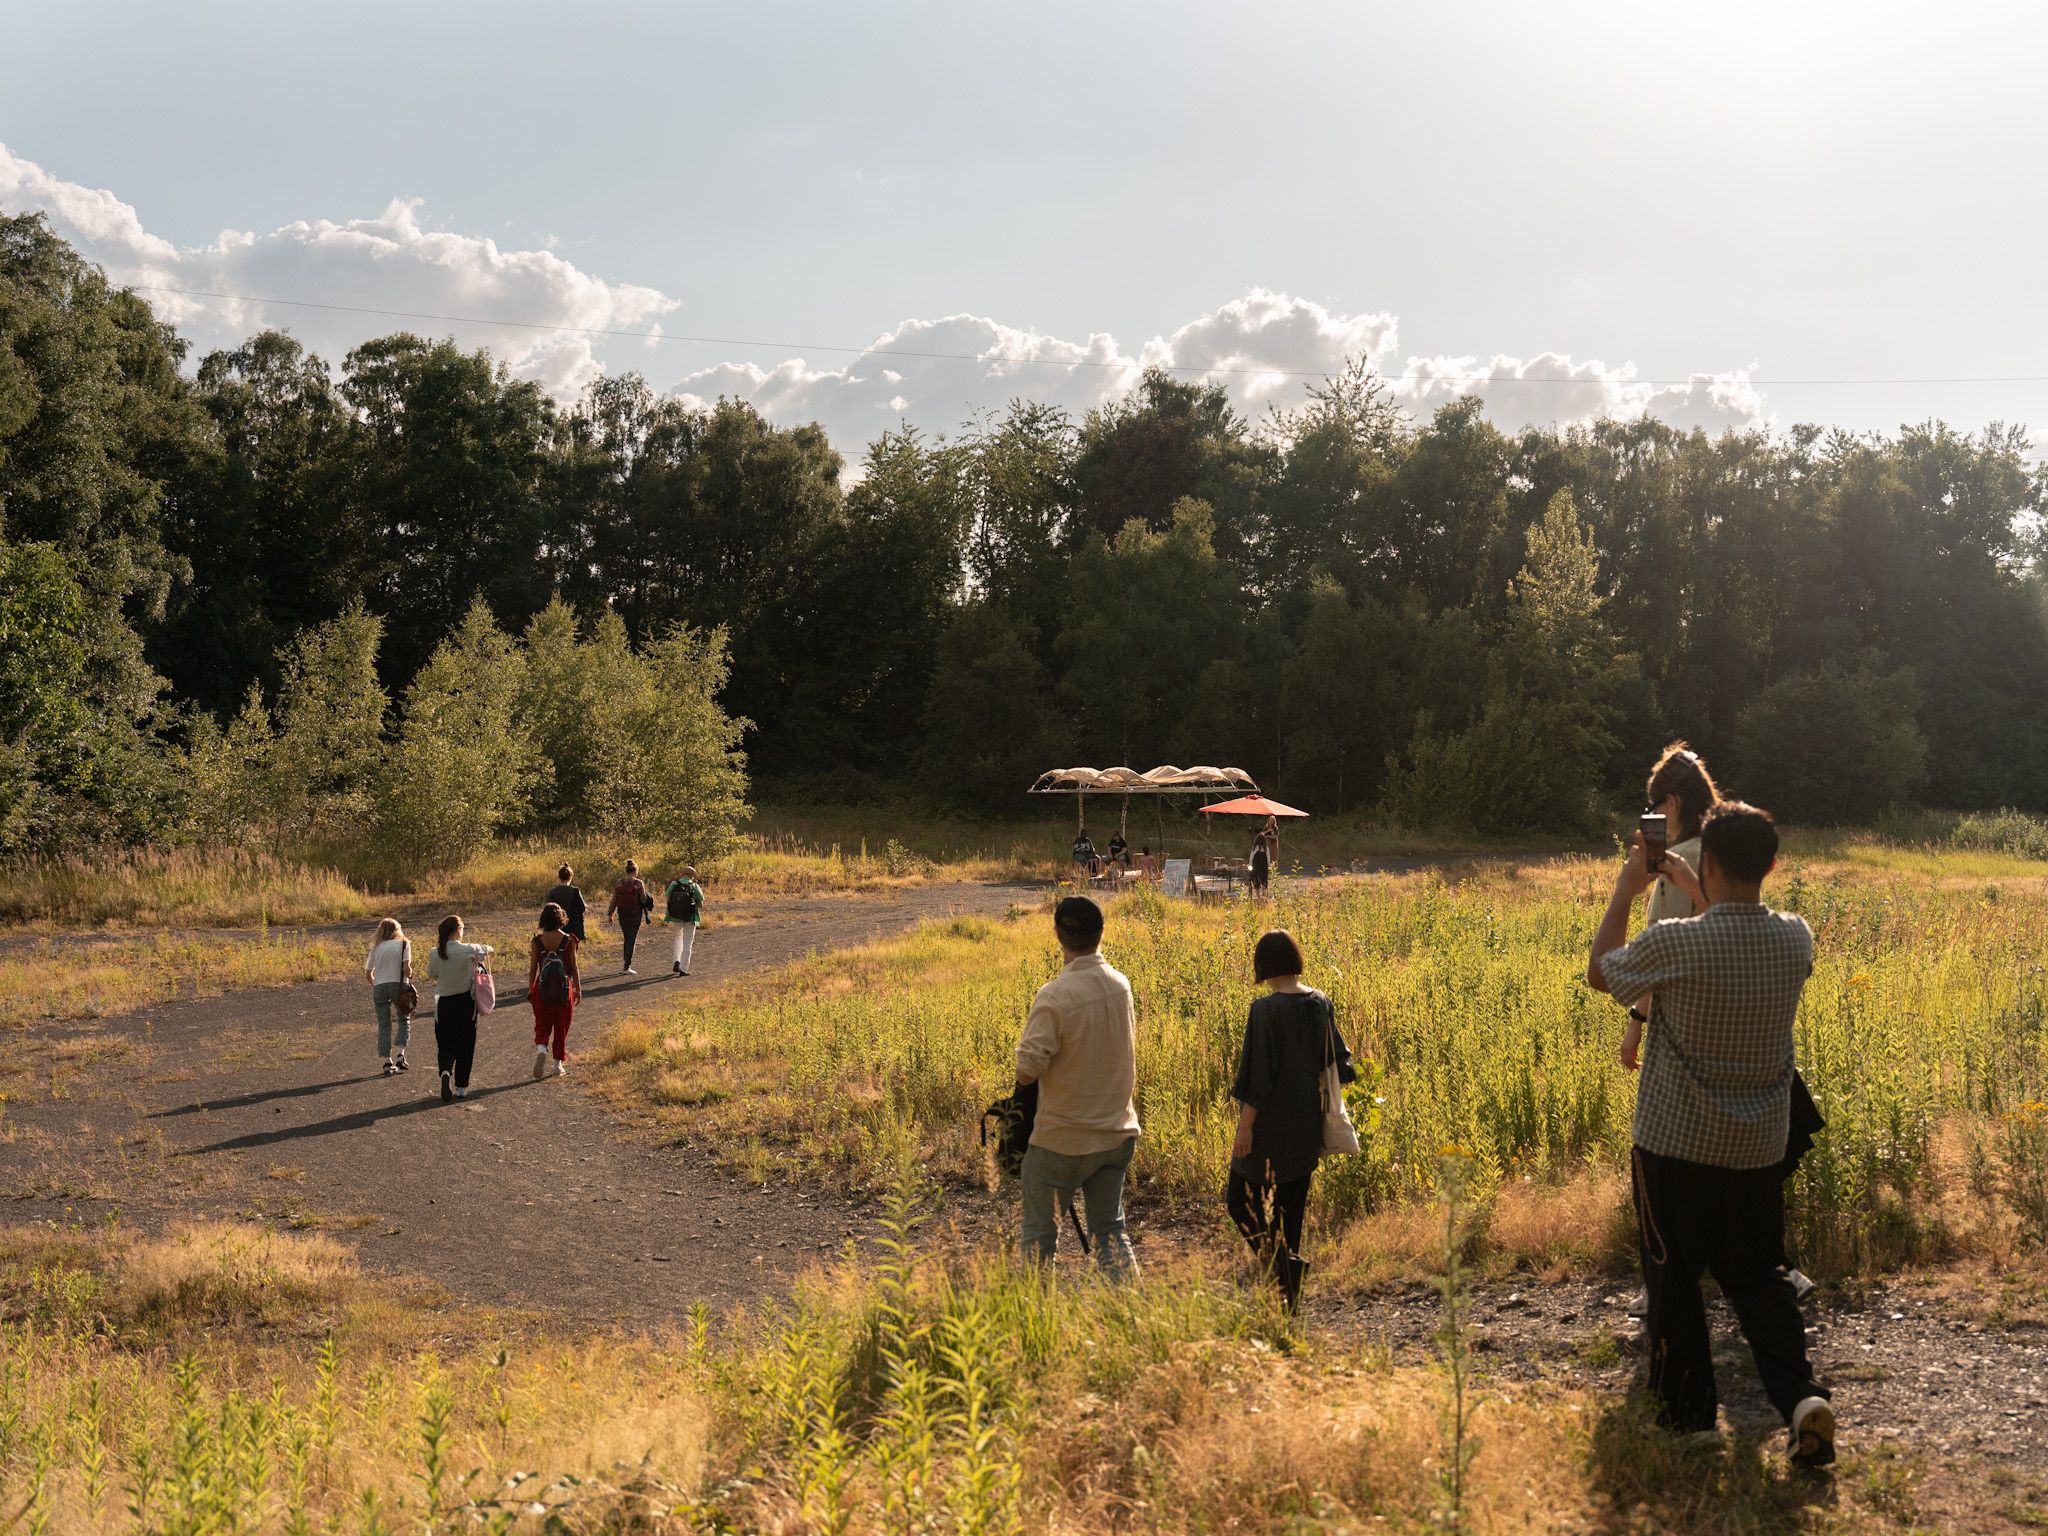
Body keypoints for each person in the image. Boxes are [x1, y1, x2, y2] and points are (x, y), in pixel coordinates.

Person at [1588, 802, 1836, 1467]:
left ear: (1710, 862)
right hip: (1756, 1149)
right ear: (1774, 865)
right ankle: (1801, 1399)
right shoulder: (1796, 939)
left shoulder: (1677, 943)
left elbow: (1602, 971)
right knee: (1760, 1278)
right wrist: (1703, 894)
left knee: (1673, 1279)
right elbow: (1731, 934)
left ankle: (1690, 1417)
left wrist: (1626, 888)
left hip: (1674, 1147)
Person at [1227, 929, 1355, 1310]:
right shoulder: (1320, 1002)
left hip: (1268, 1126)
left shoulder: (1264, 1011)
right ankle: (1288, 1301)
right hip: (1306, 1121)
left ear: (1262, 965)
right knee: (1291, 1212)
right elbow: (1337, 1062)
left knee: (1239, 1201)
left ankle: (1286, 1269)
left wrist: (1245, 1127)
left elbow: (1257, 1079)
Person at [1014, 895, 1140, 1280]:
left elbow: (1026, 1070)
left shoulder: (1055, 994)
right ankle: (1131, 1316)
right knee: (1111, 1231)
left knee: (1040, 1237)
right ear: (1101, 933)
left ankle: (1035, 1324)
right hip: (1117, 1132)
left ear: (1057, 935)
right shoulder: (1121, 985)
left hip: (1062, 1138)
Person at [425, 915, 494, 1103]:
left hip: (444, 1004)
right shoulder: (470, 950)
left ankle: (445, 1072)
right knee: (466, 1045)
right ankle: (462, 1087)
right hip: (465, 1003)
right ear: (458, 930)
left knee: (446, 1044)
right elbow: (489, 950)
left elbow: (431, 974)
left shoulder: (435, 952)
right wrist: (484, 948)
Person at [527, 902, 581, 1078]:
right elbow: (573, 968)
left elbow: (533, 968)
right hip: (563, 989)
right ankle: (557, 1064)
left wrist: (530, 989)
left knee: (542, 1024)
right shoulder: (568, 940)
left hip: (541, 989)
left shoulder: (537, 941)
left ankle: (542, 1048)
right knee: (561, 1025)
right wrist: (578, 989)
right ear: (561, 918)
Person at [364, 918, 414, 1076]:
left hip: (380, 986)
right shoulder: (404, 944)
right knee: (403, 1018)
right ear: (397, 930)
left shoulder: (376, 948)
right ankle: (401, 1054)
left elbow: (368, 973)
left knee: (384, 1024)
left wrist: (376, 984)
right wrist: (410, 974)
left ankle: (387, 1062)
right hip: (399, 986)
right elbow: (407, 969)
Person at [607, 860, 649, 975]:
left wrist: (610, 913)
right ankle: (627, 966)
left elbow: (614, 899)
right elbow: (643, 900)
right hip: (635, 913)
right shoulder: (639, 883)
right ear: (635, 871)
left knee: (626, 937)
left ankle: (626, 963)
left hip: (622, 913)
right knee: (632, 938)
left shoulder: (619, 883)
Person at [664, 865, 705, 975]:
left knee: (678, 938)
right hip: (690, 917)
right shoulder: (694, 886)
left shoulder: (674, 884)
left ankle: (676, 960)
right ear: (692, 876)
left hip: (675, 916)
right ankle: (683, 969)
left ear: (682, 874)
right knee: (688, 942)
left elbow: (667, 900)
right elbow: (701, 904)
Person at [545, 864, 588, 942]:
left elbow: (549, 909)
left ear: (559, 877)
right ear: (570, 877)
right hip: (573, 927)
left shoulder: (553, 892)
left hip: (557, 926)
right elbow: (582, 908)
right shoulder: (575, 891)